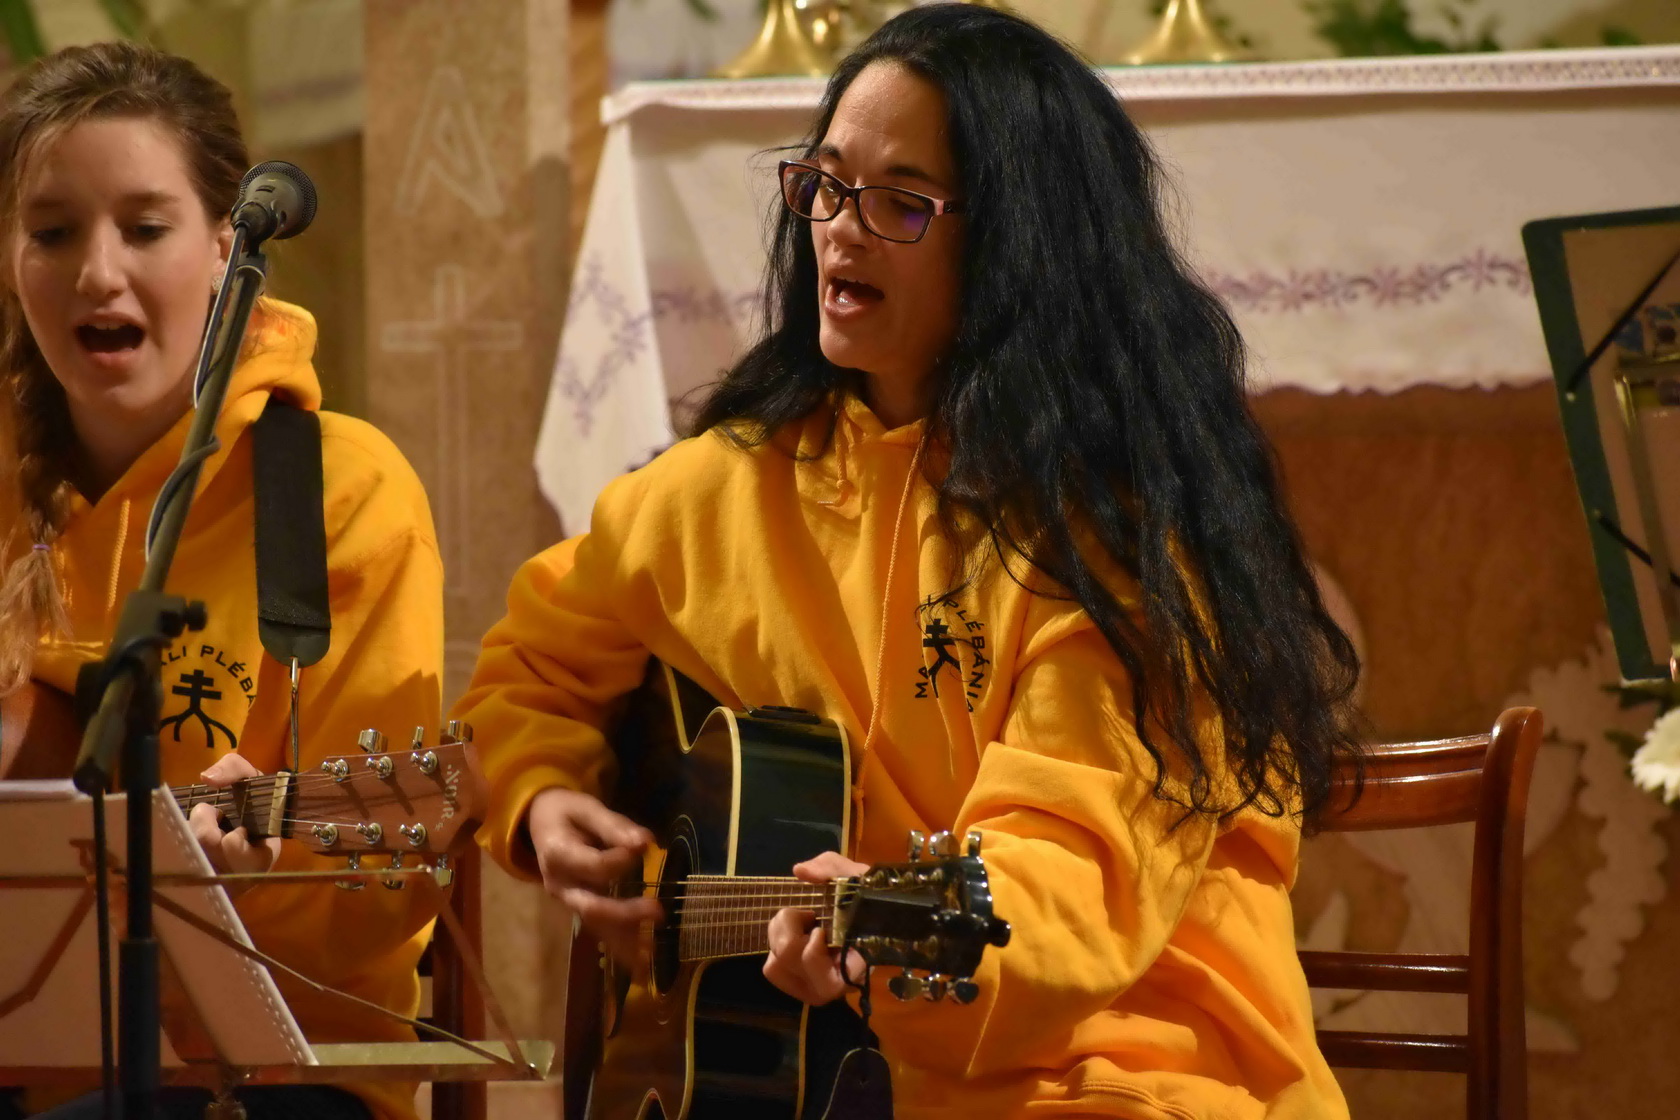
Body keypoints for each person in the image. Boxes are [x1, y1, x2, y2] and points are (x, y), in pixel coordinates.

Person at [457, 6, 1360, 1118]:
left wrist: (877, 932)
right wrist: (544, 796)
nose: (842, 230)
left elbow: (1065, 884)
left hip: (1136, 1065)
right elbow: (533, 663)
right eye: (827, 185)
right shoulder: (733, 483)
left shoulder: (1115, 536)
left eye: (901, 202)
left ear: (1019, 245)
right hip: (857, 1079)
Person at [0, 42, 443, 1120]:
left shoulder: (338, 489)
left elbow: (394, 863)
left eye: (144, 228)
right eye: (52, 233)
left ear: (222, 247)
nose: (97, 273)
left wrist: (254, 882)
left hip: (277, 1073)